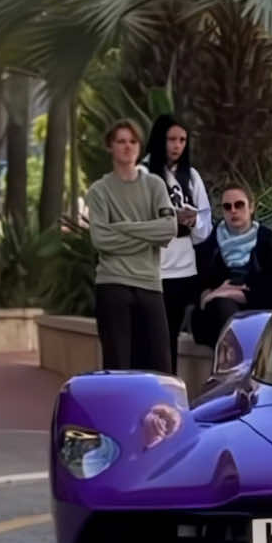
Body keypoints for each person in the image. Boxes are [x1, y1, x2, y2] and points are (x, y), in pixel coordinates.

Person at [86, 121, 177, 371]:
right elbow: (101, 239)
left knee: (161, 365)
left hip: (149, 283)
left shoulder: (155, 185)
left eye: (133, 141)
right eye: (121, 141)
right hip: (112, 283)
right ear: (110, 147)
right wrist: (148, 232)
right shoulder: (99, 191)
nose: (128, 147)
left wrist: (123, 227)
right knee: (118, 366)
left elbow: (169, 229)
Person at [142, 113, 213, 373]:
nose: (177, 146)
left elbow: (205, 225)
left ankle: (168, 386)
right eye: (171, 139)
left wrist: (193, 220)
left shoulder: (191, 176)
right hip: (151, 266)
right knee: (150, 333)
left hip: (183, 267)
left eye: (182, 140)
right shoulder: (143, 172)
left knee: (170, 332)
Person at [191, 181, 272, 351]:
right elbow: (200, 289)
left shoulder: (267, 240)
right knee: (223, 306)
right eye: (227, 207)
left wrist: (233, 293)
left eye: (239, 205)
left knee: (236, 314)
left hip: (258, 311)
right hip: (216, 314)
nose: (233, 211)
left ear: (251, 207)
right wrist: (219, 294)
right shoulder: (210, 243)